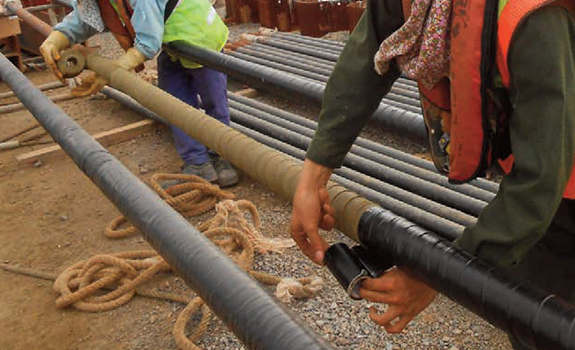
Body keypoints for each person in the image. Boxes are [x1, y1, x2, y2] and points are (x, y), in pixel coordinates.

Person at [289, 0, 575, 348]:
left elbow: (539, 182)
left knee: (553, 323)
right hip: (552, 165)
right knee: (531, 312)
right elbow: (366, 56)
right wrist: (313, 176)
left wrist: (440, 276)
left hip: (563, 178)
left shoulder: (534, 17)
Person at [39, 0, 240, 187]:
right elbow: (90, 15)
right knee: (173, 104)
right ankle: (197, 164)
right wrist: (57, 38)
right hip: (174, 43)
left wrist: (113, 71)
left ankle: (222, 158)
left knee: (214, 100)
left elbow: (148, 43)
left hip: (202, 36)